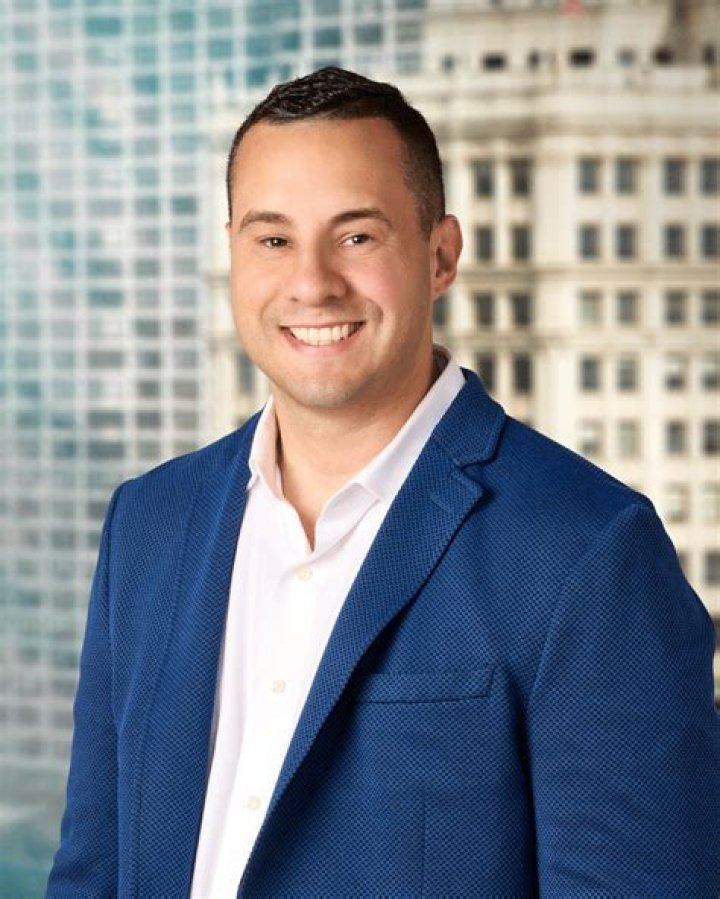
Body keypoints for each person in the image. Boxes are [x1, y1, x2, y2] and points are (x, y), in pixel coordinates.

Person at [48, 67, 718, 898]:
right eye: (272, 240)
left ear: (441, 255)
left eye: (357, 237)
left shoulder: (589, 553)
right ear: (231, 253)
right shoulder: (148, 523)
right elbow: (91, 872)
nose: (312, 282)